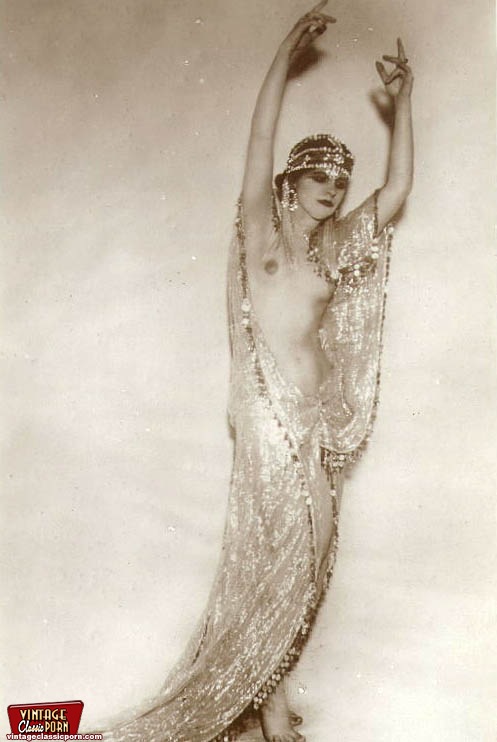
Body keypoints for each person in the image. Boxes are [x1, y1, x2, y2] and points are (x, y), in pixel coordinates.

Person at [102, 3, 413, 741]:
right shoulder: (260, 234)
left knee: (307, 564)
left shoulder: (335, 250)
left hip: (317, 422)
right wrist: (283, 55)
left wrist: (405, 103)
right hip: (269, 419)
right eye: (319, 176)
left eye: (340, 180)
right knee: (280, 560)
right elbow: (258, 137)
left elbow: (397, 192)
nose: (332, 188)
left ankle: (266, 690)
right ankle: (267, 710)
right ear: (291, 181)